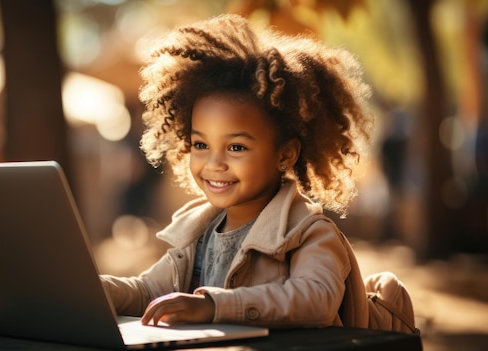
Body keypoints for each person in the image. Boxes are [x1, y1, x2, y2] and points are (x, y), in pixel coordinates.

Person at [100, 14, 374, 329]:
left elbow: (315, 300)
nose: (214, 163)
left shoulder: (309, 233)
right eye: (200, 145)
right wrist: (94, 288)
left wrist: (213, 306)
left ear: (285, 153)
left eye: (236, 148)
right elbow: (151, 291)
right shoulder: (198, 234)